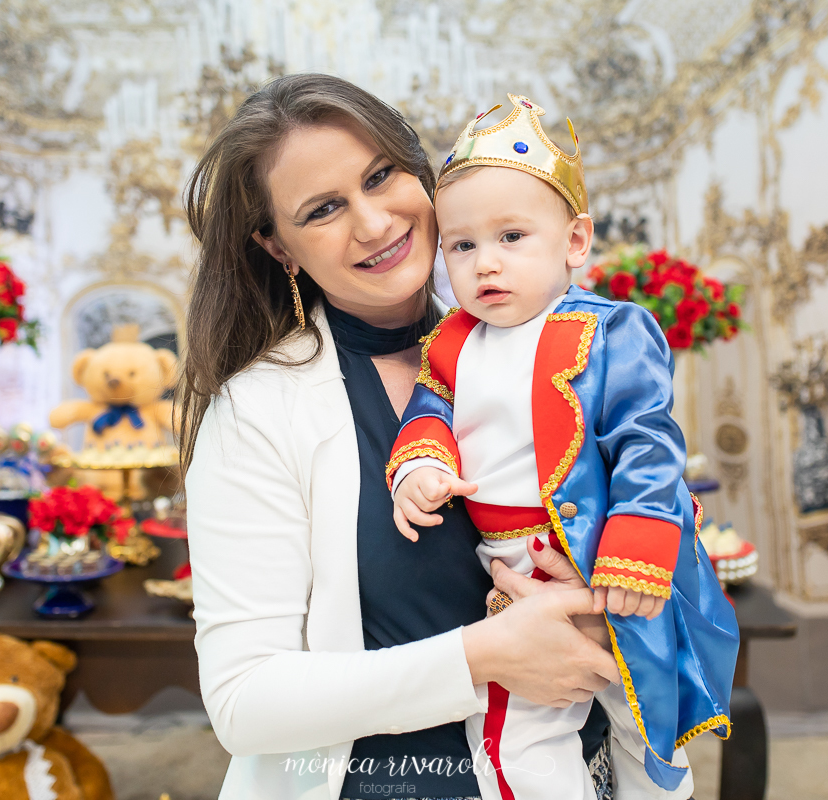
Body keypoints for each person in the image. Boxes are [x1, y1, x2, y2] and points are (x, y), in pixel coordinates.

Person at [180, 73, 629, 800]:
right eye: (323, 209)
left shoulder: (558, 345)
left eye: (381, 176)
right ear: (278, 246)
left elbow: (641, 514)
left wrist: (613, 608)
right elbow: (243, 701)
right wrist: (483, 656)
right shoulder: (256, 411)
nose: (373, 223)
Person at [388, 95, 740, 800]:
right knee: (516, 735)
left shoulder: (610, 331)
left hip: (605, 553)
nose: (485, 263)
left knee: (644, 715)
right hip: (507, 567)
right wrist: (421, 465)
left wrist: (636, 548)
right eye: (462, 246)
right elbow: (430, 412)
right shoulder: (452, 342)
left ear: (575, 242)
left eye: (511, 236)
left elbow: (646, 440)